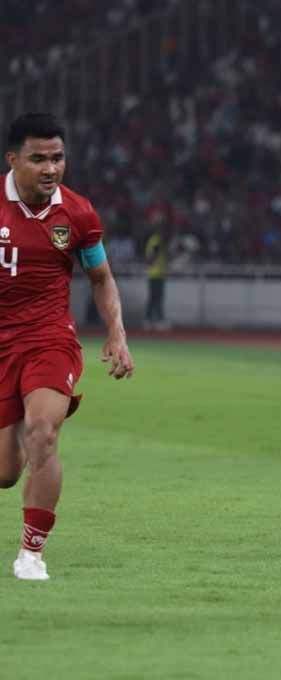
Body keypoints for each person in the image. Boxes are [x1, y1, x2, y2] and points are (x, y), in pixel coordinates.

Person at [0, 113, 135, 580]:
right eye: (38, 158)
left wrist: (116, 333)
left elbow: (100, 277)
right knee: (5, 472)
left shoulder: (78, 213)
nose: (50, 168)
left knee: (43, 430)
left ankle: (31, 554)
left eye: (57, 157)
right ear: (13, 159)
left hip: (49, 339)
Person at [143, 224, 168, 330]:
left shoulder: (153, 240)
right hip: (156, 274)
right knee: (156, 298)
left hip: (156, 274)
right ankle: (156, 320)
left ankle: (149, 320)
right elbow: (152, 256)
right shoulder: (156, 240)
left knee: (154, 298)